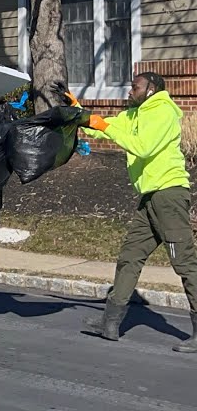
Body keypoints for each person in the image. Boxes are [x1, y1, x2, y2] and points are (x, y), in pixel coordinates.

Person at [74, 73, 197, 351]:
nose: (130, 91)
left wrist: (103, 124)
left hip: (169, 195)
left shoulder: (163, 111)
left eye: (135, 87)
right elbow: (103, 127)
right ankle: (110, 322)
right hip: (150, 197)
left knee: (185, 263)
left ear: (151, 89)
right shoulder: (137, 113)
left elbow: (143, 147)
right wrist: (77, 113)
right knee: (130, 256)